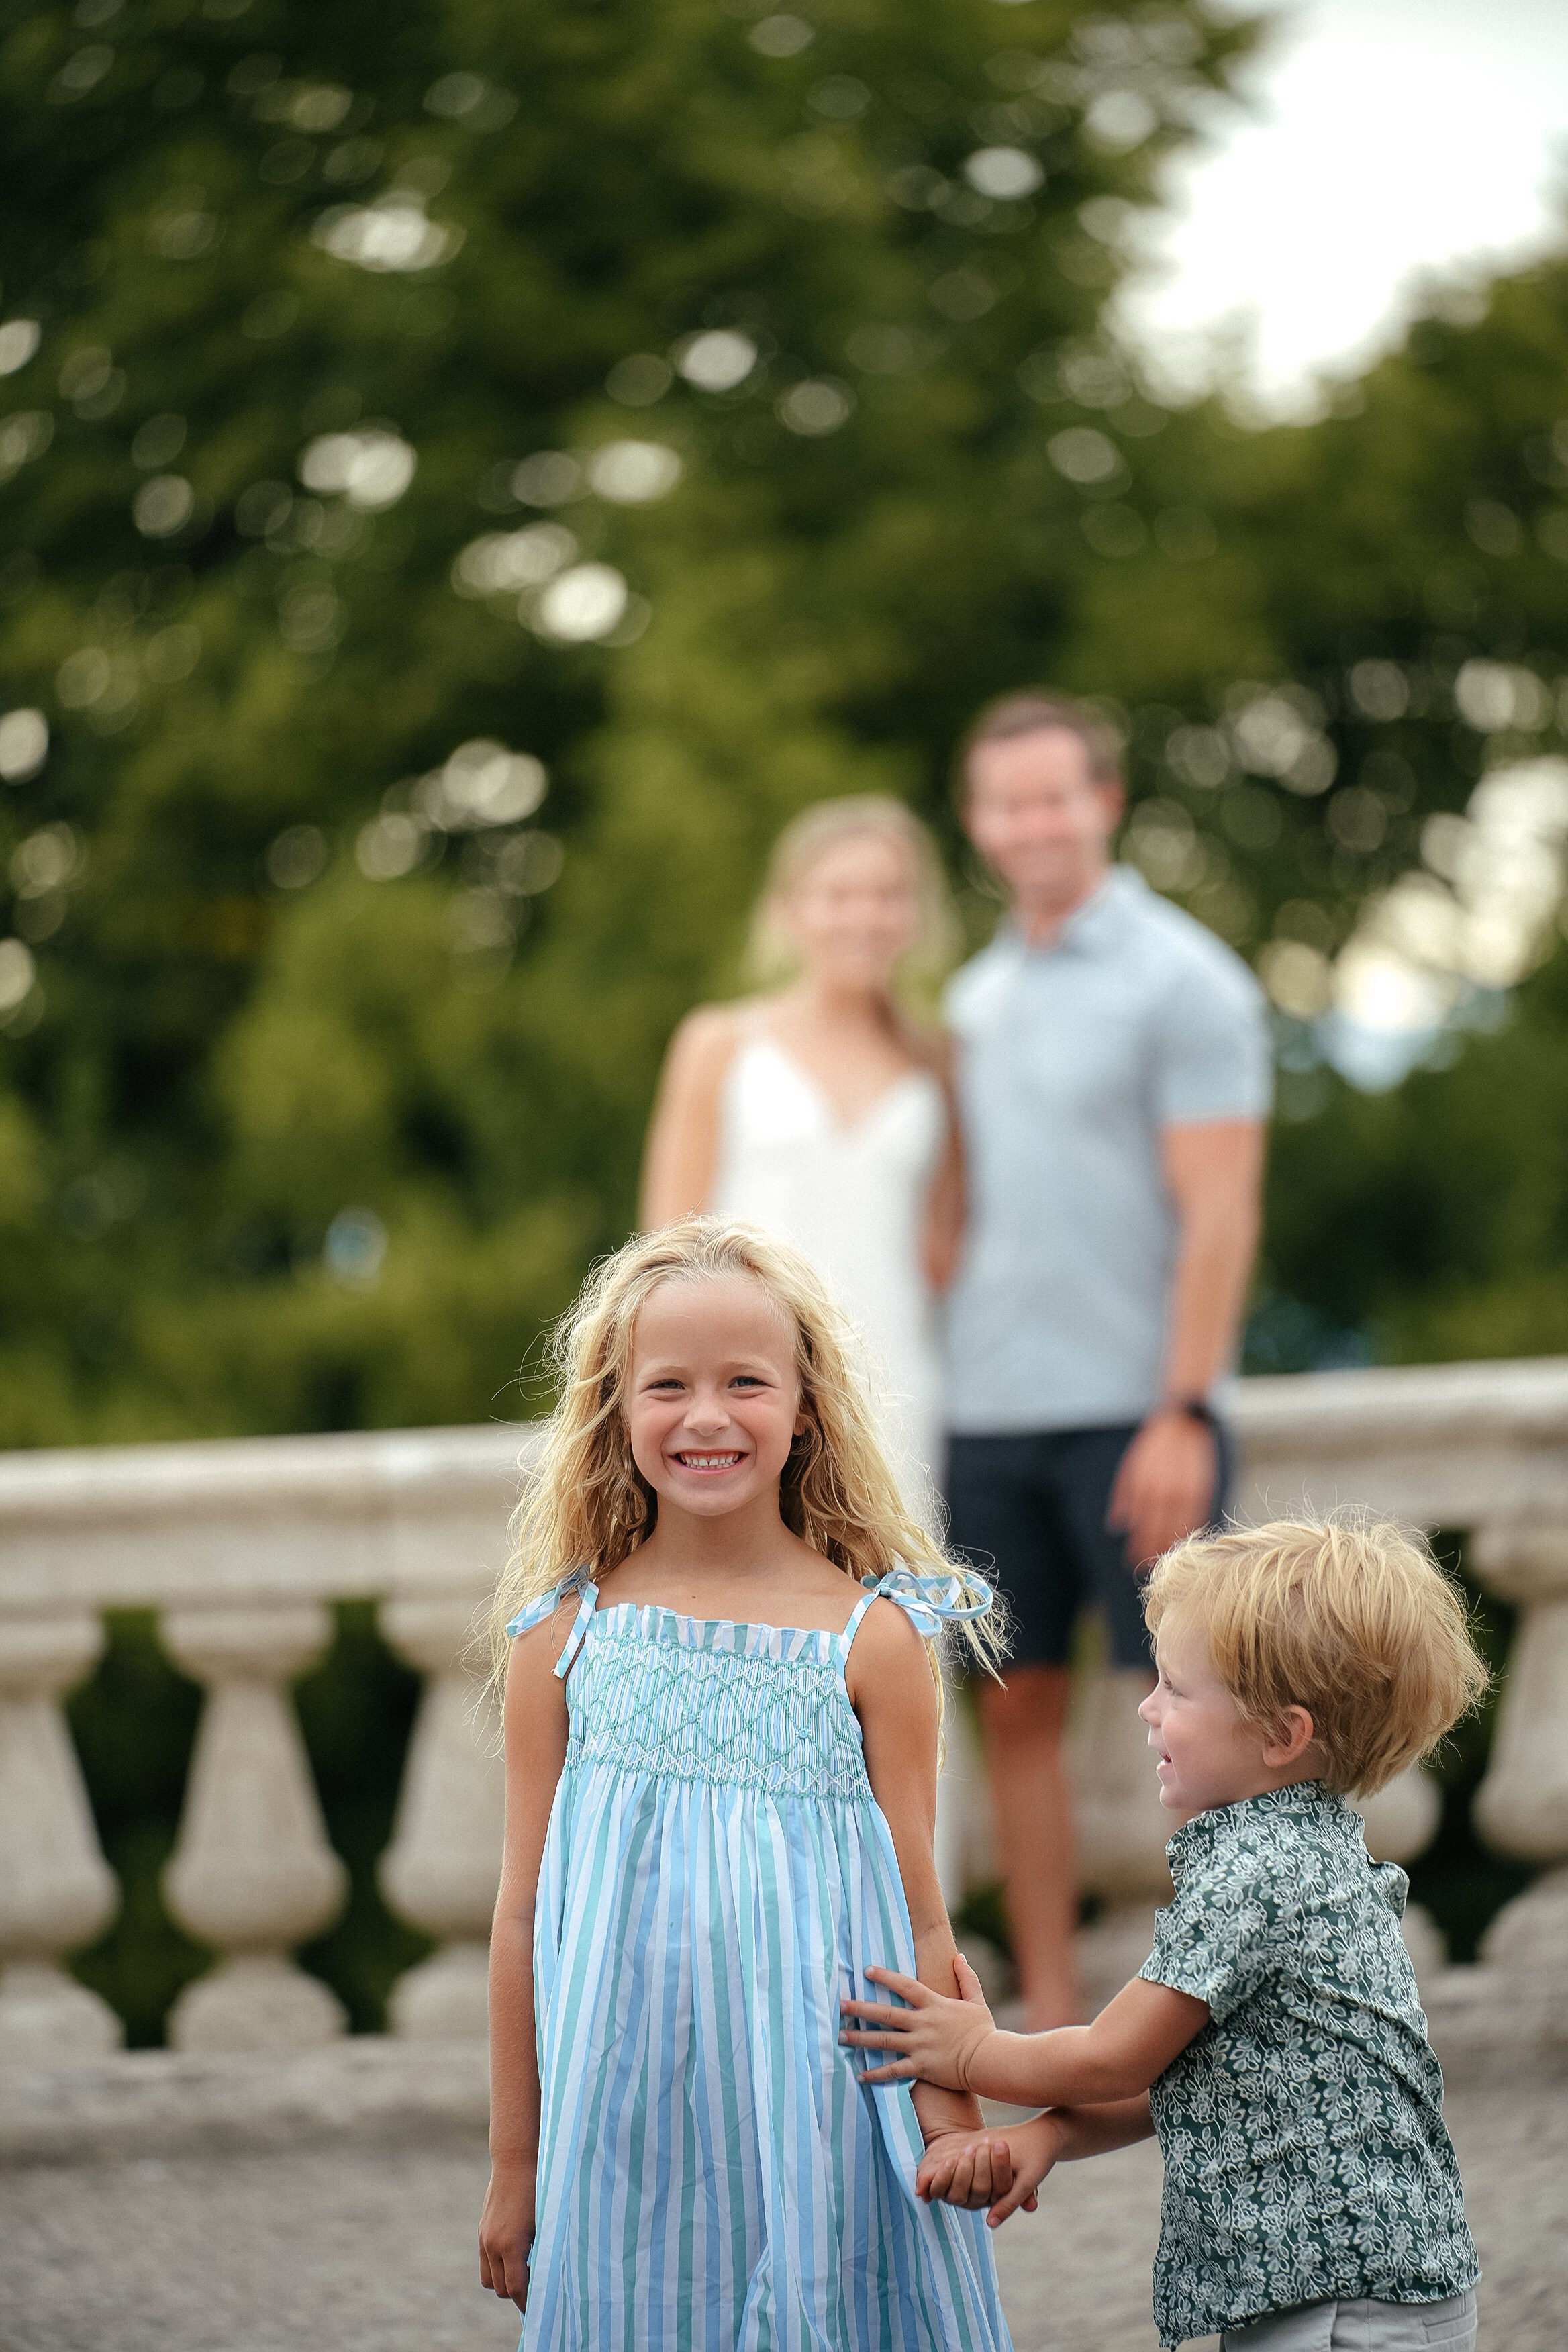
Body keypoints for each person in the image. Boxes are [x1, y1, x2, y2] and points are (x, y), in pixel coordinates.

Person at [478, 1215, 1016, 2352]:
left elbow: (919, 1908)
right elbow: (523, 1914)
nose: (707, 1414)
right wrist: (515, 2168)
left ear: (805, 1404)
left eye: (745, 1381)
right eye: (666, 1383)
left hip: (826, 2119)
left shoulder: (872, 1641)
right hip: (622, 2140)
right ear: (614, 1409)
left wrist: (949, 2116)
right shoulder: (567, 1639)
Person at [840, 1517, 1489, 2352]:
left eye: (1176, 1690)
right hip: (1360, 2292)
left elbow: (1114, 2057)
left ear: (1281, 1735)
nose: (1146, 1709)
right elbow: (1196, 2078)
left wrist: (966, 2051)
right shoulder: (1311, 1848)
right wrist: (1047, 2133)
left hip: (1338, 2309)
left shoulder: (1256, 1874)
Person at [942, 691, 1273, 2026]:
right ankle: (1041, 2004)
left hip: (1137, 1414)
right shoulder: (970, 996)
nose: (1030, 823)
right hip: (984, 1416)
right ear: (978, 824)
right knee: (1011, 1718)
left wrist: (1182, 1406)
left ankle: (1225, 1998)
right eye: (1004, 802)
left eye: (1053, 796)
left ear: (1105, 804)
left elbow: (1221, 1211)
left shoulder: (1183, 979)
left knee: (1201, 1716)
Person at [638, 796, 962, 1516]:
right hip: (742, 1382)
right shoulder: (718, 1043)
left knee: (886, 1595)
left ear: (915, 915)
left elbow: (943, 1248)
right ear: (788, 910)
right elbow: (665, 1245)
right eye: (839, 895)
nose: (865, 917)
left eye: (887, 895)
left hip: (894, 1385)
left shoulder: (939, 1061)